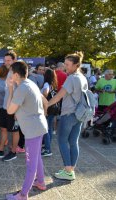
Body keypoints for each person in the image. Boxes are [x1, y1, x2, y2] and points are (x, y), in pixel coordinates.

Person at [6, 61, 48, 200]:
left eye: (11, 72)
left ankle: (23, 194)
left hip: (33, 130)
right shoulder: (29, 83)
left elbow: (10, 110)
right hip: (38, 126)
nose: (10, 74)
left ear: (16, 75)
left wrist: (10, 89)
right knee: (36, 158)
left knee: (31, 162)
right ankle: (41, 182)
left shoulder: (22, 88)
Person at [48, 52, 88, 181]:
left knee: (62, 141)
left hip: (69, 113)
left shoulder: (72, 78)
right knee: (73, 142)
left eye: (67, 64)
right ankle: (71, 170)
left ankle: (67, 170)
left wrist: (45, 105)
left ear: (76, 65)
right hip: (79, 114)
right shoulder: (82, 77)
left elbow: (59, 95)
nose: (65, 67)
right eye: (65, 64)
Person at [0, 51, 23, 162]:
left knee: (15, 131)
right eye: (5, 60)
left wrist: (17, 110)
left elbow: (20, 92)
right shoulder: (9, 72)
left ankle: (13, 152)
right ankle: (0, 150)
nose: (6, 62)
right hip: (5, 107)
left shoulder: (18, 73)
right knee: (3, 128)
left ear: (14, 60)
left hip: (14, 108)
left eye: (8, 60)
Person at [41, 68, 58, 157]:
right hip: (54, 108)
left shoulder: (47, 84)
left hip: (47, 108)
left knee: (46, 129)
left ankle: (47, 149)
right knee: (50, 128)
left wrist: (41, 97)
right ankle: (47, 144)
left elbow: (45, 94)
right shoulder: (54, 84)